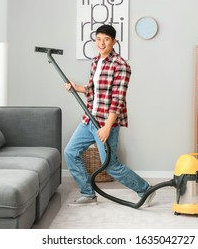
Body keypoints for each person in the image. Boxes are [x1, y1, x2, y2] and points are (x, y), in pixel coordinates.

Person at [64, 24, 155, 207]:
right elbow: (93, 89)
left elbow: (117, 99)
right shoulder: (96, 61)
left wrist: (107, 127)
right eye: (98, 39)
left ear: (114, 41)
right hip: (90, 118)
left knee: (110, 164)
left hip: (106, 123)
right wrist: (77, 88)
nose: (101, 42)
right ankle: (88, 194)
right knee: (70, 152)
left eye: (106, 39)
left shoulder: (121, 65)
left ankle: (145, 190)